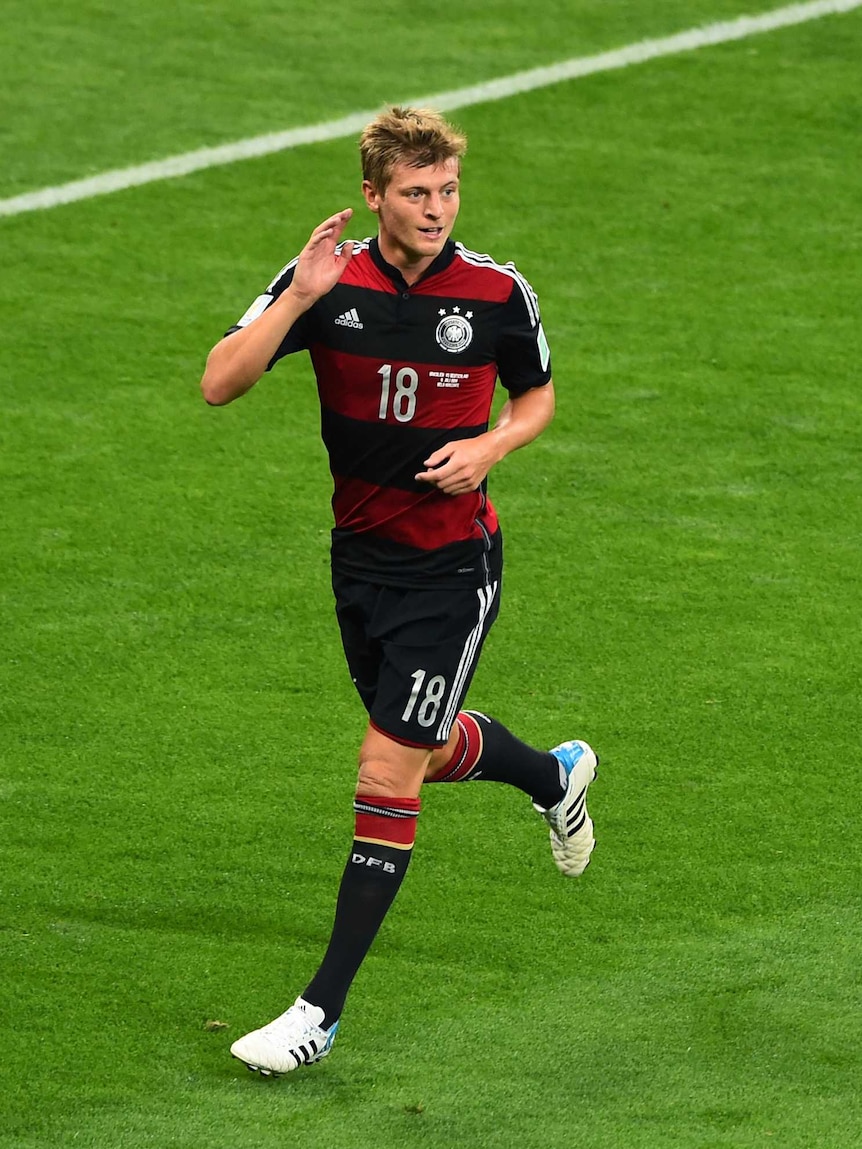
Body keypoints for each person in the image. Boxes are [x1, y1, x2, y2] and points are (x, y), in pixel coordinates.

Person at [200, 106, 598, 1078]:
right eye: (415, 192)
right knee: (417, 744)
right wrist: (297, 297)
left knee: (386, 767)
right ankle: (553, 776)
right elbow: (218, 381)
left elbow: (537, 394)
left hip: (450, 565)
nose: (435, 207)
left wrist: (493, 444)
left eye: (447, 189)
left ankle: (317, 1013)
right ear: (374, 194)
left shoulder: (496, 291)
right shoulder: (327, 287)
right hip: (359, 560)